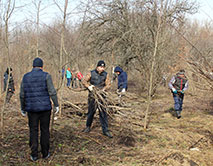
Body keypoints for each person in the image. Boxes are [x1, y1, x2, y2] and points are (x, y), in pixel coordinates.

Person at [19, 57, 59, 161]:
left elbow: (22, 95)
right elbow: (52, 92)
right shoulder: (46, 76)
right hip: (45, 109)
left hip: (31, 109)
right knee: (45, 130)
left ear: (33, 66)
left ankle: (34, 154)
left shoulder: (25, 77)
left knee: (33, 131)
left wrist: (23, 108)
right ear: (42, 66)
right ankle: (45, 153)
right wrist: (56, 104)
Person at [82, 60, 112, 138]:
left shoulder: (106, 75)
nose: (102, 69)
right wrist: (89, 86)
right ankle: (88, 126)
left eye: (103, 67)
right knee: (91, 111)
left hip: (102, 96)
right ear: (97, 67)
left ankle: (105, 130)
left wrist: (104, 89)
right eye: (101, 67)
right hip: (92, 95)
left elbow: (108, 84)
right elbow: (84, 81)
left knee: (103, 112)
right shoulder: (91, 73)